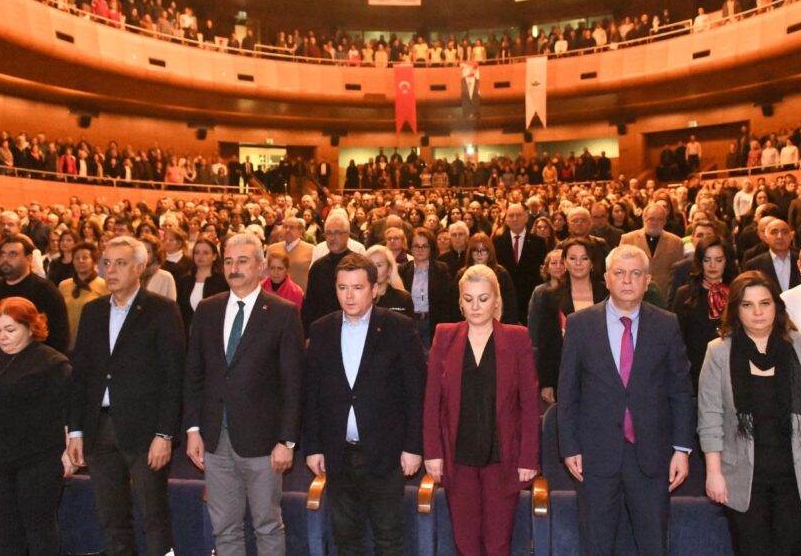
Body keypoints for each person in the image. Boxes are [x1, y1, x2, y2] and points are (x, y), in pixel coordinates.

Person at [557, 244, 694, 556]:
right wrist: (569, 446)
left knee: (653, 544)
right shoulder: (580, 325)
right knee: (597, 544)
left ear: (648, 281)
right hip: (595, 454)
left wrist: (682, 449)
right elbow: (568, 393)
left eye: (636, 274)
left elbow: (680, 391)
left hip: (652, 455)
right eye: (620, 273)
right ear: (606, 278)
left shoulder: (667, 324)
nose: (628, 281)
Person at [697, 271, 801, 555]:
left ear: (777, 306)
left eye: (764, 303)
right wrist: (713, 473)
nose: (758, 312)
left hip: (798, 475)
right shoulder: (718, 352)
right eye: (747, 305)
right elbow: (710, 418)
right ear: (735, 310)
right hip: (742, 477)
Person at [184, 233, 304, 556]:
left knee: (267, 524)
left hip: (264, 443)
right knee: (224, 529)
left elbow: (293, 382)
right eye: (228, 261)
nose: (234, 268)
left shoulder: (283, 313)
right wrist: (193, 429)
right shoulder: (207, 310)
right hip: (214, 439)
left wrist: (287, 441)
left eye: (242, 261)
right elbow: (193, 375)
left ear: (261, 266)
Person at [67, 236, 185, 556]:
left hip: (145, 431)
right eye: (107, 262)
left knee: (154, 517)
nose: (111, 270)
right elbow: (80, 376)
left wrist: (164, 433)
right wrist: (75, 430)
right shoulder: (92, 312)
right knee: (112, 518)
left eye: (121, 263)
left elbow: (174, 377)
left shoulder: (162, 310)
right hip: (98, 429)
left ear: (140, 268)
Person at [303, 253, 425, 555]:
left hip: (386, 453)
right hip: (338, 452)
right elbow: (312, 394)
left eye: (357, 287)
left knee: (388, 538)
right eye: (342, 288)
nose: (349, 295)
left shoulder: (399, 327)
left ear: (374, 289)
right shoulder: (321, 329)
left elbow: (416, 392)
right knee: (346, 540)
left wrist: (414, 446)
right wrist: (314, 446)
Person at [423, 264, 540, 556]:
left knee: (498, 544)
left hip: (502, 455)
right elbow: (432, 400)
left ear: (496, 301)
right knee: (464, 544)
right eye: (469, 298)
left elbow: (528, 403)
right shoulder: (444, 335)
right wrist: (433, 452)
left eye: (483, 298)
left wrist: (528, 457)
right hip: (457, 455)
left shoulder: (517, 338)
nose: (476, 306)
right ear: (460, 302)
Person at [0, 297, 73, 556]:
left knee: (39, 527)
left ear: (31, 328)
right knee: (7, 528)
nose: (3, 337)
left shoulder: (52, 362)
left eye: (10, 330)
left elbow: (68, 410)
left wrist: (69, 448)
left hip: (39, 457)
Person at [531, 237, 608, 405]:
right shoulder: (550, 296)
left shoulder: (606, 293)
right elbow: (547, 343)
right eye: (572, 258)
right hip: (565, 374)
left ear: (592, 262)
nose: (578, 263)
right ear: (565, 262)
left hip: (604, 373)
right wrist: (547, 382)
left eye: (584, 258)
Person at [0, 234, 69, 357]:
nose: (5, 259)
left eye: (13, 254)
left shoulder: (46, 291)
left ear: (29, 259)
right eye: (2, 254)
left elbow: (59, 337)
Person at [673, 236, 737, 393]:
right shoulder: (685, 294)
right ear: (699, 262)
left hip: (733, 368)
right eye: (707, 260)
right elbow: (677, 337)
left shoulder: (737, 291)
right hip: (696, 371)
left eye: (718, 259)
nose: (712, 265)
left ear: (726, 261)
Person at [399, 227, 454, 350]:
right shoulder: (402, 270)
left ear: (431, 248)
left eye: (425, 246)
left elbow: (447, 303)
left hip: (433, 323)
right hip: (411, 323)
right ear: (410, 248)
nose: (420, 250)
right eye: (416, 246)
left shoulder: (441, 270)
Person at [620, 203, 686, 304]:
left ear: (665, 221)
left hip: (664, 297)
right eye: (651, 219)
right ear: (644, 219)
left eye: (659, 219)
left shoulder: (676, 242)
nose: (655, 223)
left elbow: (679, 275)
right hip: (635, 295)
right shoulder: (628, 239)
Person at [493, 203, 548, 325]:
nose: (514, 219)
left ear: (526, 217)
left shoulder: (538, 243)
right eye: (511, 216)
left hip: (531, 301)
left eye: (518, 215)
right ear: (506, 220)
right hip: (506, 301)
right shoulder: (498, 243)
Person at [452, 233, 519, 325]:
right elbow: (454, 307)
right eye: (475, 250)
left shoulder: (501, 274)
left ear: (490, 252)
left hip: (497, 324)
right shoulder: (461, 275)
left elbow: (510, 306)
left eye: (483, 250)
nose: (479, 254)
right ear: (470, 252)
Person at [58, 242, 108, 349]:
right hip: (67, 341)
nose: (80, 261)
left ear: (94, 261)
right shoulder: (64, 285)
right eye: (77, 258)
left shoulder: (104, 285)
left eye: (85, 257)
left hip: (93, 342)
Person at [176, 239, 229, 331]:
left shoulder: (222, 281)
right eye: (197, 253)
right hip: (188, 332)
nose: (200, 256)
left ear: (214, 256)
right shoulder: (185, 280)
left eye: (205, 253)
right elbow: (179, 309)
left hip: (214, 331)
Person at [743, 219, 801, 293]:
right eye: (774, 232)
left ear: (791, 236)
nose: (780, 236)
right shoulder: (754, 265)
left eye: (785, 232)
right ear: (766, 238)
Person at [267, 217, 314, 293]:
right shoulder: (272, 249)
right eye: (285, 227)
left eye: (292, 227)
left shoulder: (311, 250)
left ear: (300, 231)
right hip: (275, 298)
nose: (287, 230)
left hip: (301, 298)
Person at [367, 244, 414, 316]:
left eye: (379, 265)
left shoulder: (403, 298)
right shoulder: (359, 297)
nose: (374, 269)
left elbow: (410, 326)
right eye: (371, 265)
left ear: (389, 269)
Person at [261, 246, 304, 312]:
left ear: (287, 270)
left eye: (280, 268)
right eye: (272, 268)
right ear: (268, 269)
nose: (276, 272)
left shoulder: (296, 292)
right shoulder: (259, 288)